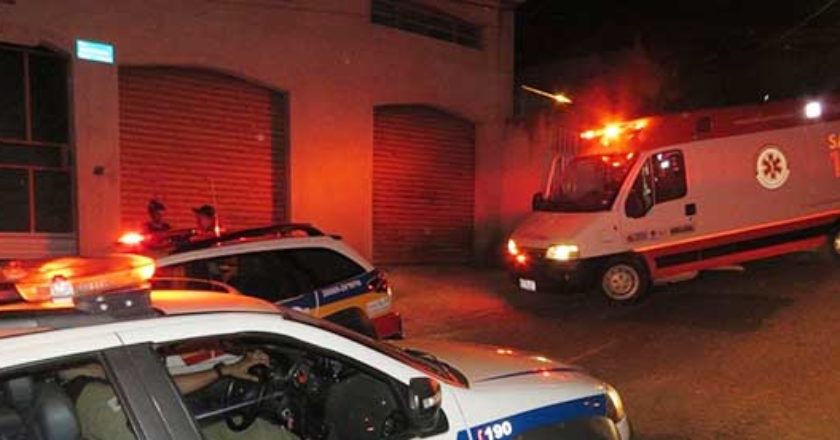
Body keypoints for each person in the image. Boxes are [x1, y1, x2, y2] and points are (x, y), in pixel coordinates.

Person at [61, 351, 298, 440]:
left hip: (172, 424)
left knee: (241, 428)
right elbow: (152, 391)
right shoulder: (101, 406)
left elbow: (157, 388)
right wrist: (222, 371)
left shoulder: (102, 389)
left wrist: (223, 371)